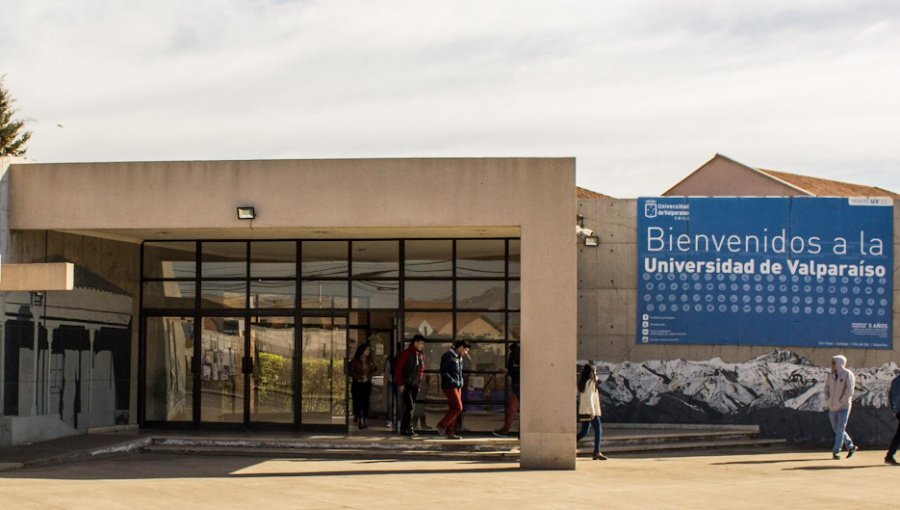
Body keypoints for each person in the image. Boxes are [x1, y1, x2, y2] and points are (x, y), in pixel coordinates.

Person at [823, 354, 858, 460]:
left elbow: (849, 391)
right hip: (832, 407)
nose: (832, 365)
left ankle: (836, 451)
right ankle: (850, 446)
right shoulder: (831, 375)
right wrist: (828, 400)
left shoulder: (847, 374)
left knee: (840, 428)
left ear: (840, 363)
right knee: (837, 429)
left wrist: (841, 401)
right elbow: (826, 388)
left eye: (834, 363)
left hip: (844, 407)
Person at [437, 340, 470, 440]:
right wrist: (452, 381)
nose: (466, 353)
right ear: (461, 347)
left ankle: (450, 432)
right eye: (466, 350)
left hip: (457, 386)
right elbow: (443, 371)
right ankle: (442, 425)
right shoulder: (448, 356)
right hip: (449, 385)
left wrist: (460, 381)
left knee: (454, 408)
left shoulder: (459, 357)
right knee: (458, 407)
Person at [394, 335, 425, 438]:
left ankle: (404, 428)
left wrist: (419, 382)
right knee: (409, 406)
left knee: (411, 407)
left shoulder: (420, 355)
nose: (422, 346)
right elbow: (399, 369)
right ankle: (408, 427)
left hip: (415, 384)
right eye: (421, 343)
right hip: (406, 384)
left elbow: (421, 370)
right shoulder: (406, 354)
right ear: (415, 343)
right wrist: (401, 383)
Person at [576, 362, 606, 461]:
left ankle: (571, 443)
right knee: (598, 430)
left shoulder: (584, 382)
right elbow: (589, 398)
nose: (596, 373)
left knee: (584, 431)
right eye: (595, 371)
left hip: (584, 411)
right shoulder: (591, 382)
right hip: (591, 411)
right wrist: (592, 412)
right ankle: (596, 452)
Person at [494, 343, 520, 437]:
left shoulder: (514, 353)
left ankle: (505, 430)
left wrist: (507, 371)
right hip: (523, 383)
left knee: (512, 408)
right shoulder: (524, 353)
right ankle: (506, 430)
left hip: (517, 382)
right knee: (513, 408)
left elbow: (512, 368)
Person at [349, 343, 377, 429]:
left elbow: (373, 370)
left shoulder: (370, 360)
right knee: (359, 401)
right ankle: (360, 419)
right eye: (367, 350)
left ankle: (365, 418)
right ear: (363, 350)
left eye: (369, 350)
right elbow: (351, 371)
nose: (368, 351)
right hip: (358, 382)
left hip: (367, 383)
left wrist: (367, 378)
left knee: (366, 401)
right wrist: (359, 378)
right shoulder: (355, 360)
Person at [885, 370, 900, 465]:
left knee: (899, 435)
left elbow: (890, 397)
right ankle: (889, 456)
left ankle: (889, 456)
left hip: (899, 410)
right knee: (898, 435)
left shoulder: (895, 380)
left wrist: (894, 409)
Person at [383, 353, 395, 429]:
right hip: (391, 382)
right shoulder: (389, 359)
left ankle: (399, 420)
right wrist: (391, 378)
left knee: (400, 402)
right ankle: (390, 420)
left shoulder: (401, 357)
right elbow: (386, 371)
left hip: (399, 383)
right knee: (390, 402)